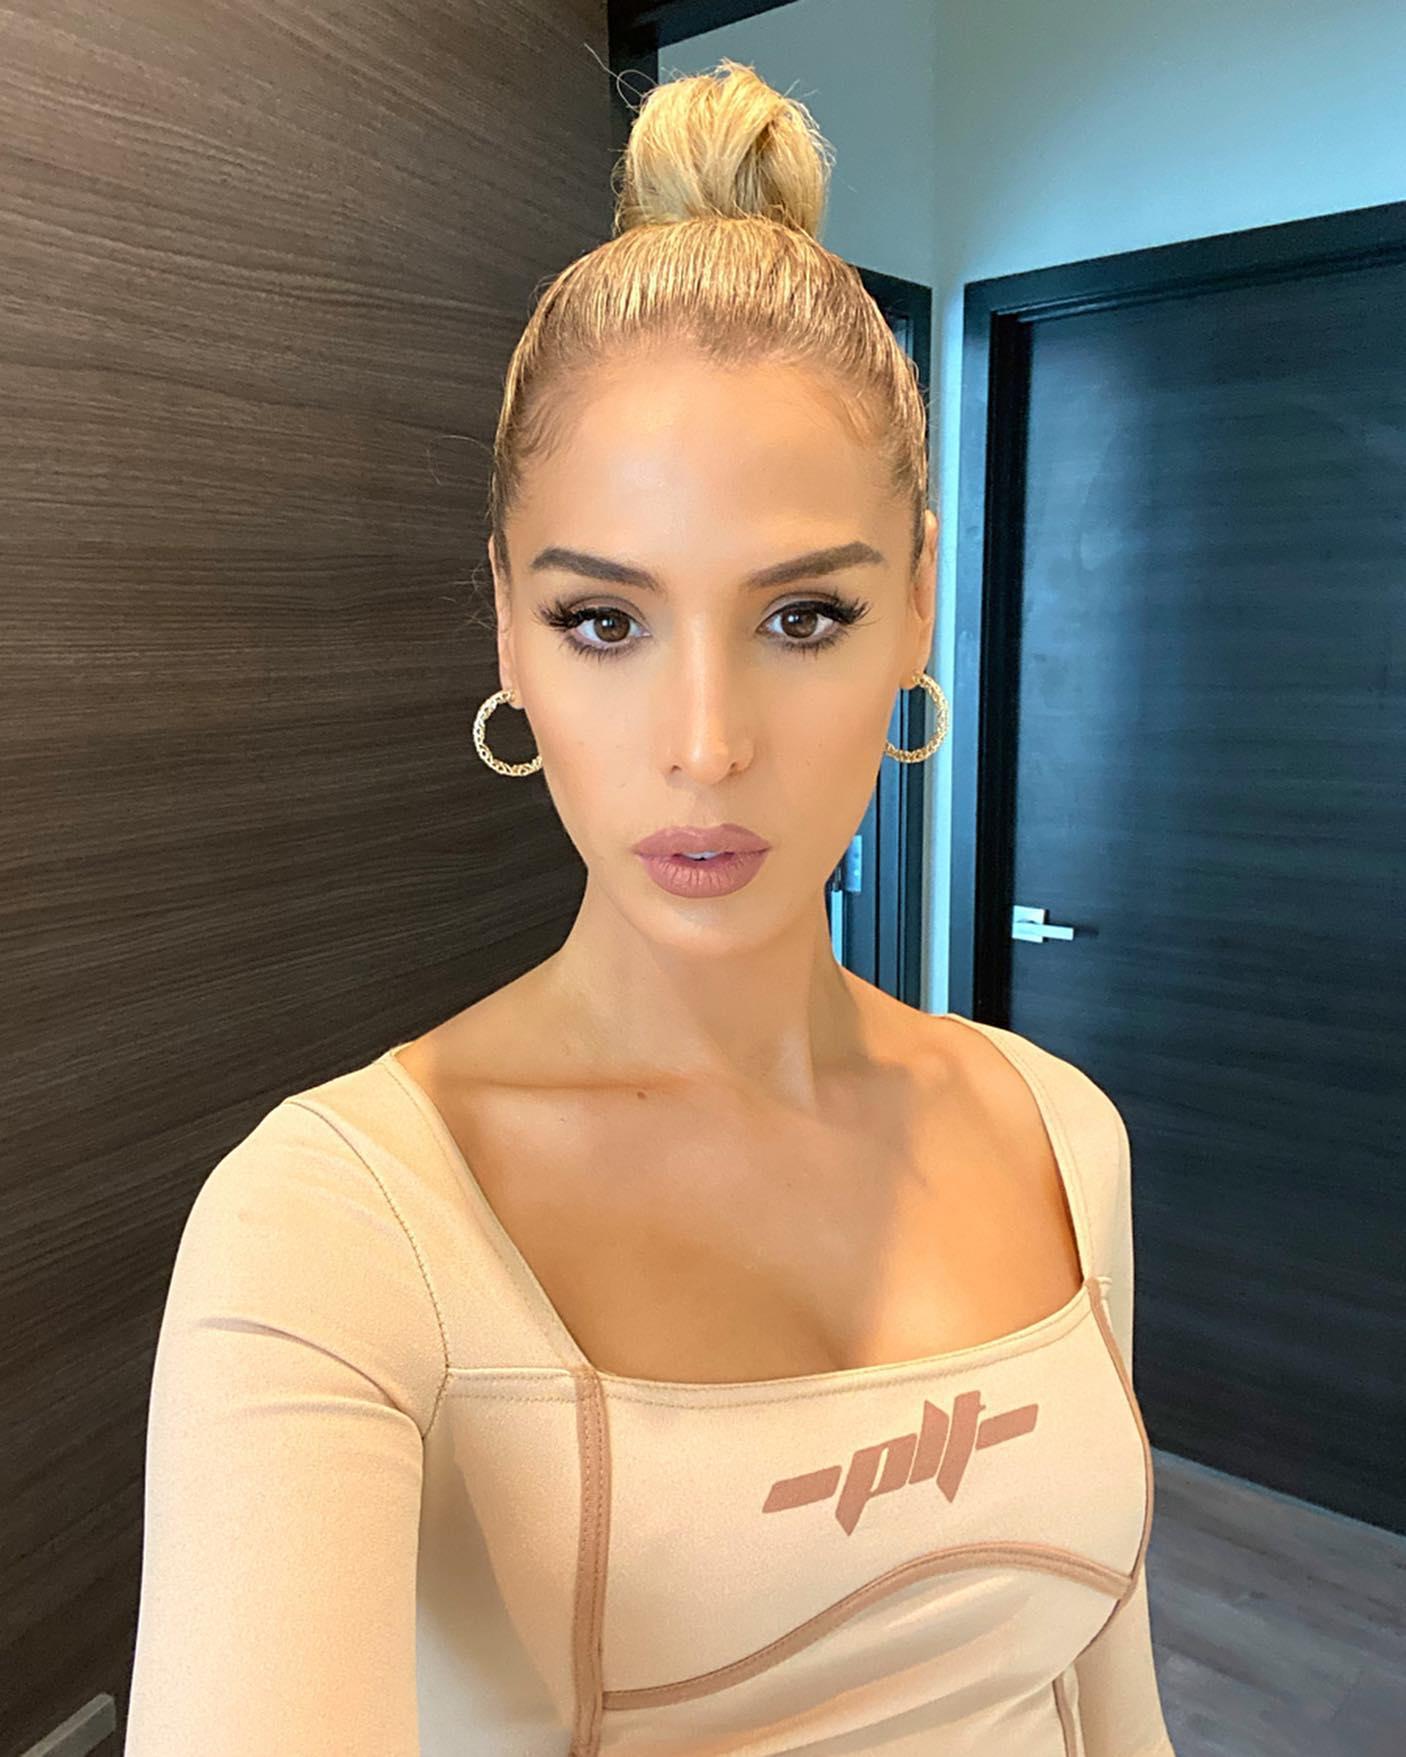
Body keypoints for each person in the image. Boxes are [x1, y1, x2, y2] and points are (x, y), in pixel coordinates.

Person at [124, 57, 1176, 1757]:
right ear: (505, 624)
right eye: (605, 621)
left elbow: (1111, 1710)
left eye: (803, 616)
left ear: (920, 598)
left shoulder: (1063, 1135)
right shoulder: (328, 1232)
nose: (704, 746)